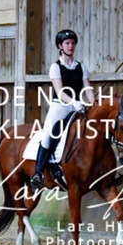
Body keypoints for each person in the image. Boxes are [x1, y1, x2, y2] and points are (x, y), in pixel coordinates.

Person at [30, 29, 95, 189]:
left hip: (77, 107)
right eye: (67, 43)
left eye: (72, 43)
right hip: (60, 107)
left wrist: (93, 102)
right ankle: (38, 172)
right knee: (48, 134)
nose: (70, 46)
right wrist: (74, 102)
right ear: (60, 46)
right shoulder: (56, 67)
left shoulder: (81, 67)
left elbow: (87, 88)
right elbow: (60, 92)